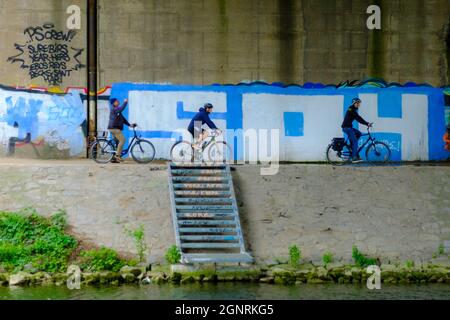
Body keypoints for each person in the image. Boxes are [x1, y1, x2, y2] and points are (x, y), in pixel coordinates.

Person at [341, 98, 372, 163]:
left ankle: (352, 147)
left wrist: (367, 123)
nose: (358, 104)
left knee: (359, 133)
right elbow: (358, 118)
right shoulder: (351, 109)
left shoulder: (353, 109)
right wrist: (367, 123)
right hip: (347, 128)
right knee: (355, 141)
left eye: (359, 103)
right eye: (357, 103)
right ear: (354, 103)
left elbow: (358, 118)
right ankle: (354, 157)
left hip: (349, 127)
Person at [107, 98, 136, 163]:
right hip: (114, 128)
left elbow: (122, 119)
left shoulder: (117, 110)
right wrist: (125, 102)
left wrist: (129, 125)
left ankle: (114, 159)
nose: (118, 101)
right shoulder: (114, 109)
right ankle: (117, 155)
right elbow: (121, 108)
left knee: (117, 143)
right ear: (114, 103)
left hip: (114, 128)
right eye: (117, 101)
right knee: (122, 140)